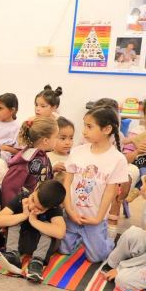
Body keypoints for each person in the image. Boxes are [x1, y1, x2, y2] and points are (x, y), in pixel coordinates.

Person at [59, 106, 129, 262]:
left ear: (107, 129)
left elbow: (110, 193)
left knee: (97, 258)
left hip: (94, 220)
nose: (84, 131)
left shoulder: (117, 159)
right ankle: (81, 237)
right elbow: (67, 182)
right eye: (84, 125)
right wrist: (69, 210)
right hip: (71, 215)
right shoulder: (77, 151)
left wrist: (98, 219)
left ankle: (108, 240)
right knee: (63, 250)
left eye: (89, 127)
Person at [0, 179, 66, 283]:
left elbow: (60, 233)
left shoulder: (54, 209)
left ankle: (37, 263)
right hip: (20, 242)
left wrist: (34, 221)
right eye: (33, 200)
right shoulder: (22, 197)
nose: (31, 206)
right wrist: (24, 215)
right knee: (14, 220)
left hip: (41, 246)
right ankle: (12, 256)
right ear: (36, 188)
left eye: (39, 208)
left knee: (49, 228)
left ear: (50, 208)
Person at [0, 117, 57, 206]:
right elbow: (9, 188)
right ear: (46, 140)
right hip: (25, 209)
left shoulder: (42, 155)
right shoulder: (26, 160)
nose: (57, 140)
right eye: (56, 137)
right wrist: (11, 211)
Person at [0, 93, 20, 160]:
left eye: (0, 108)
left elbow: (19, 152)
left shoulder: (17, 128)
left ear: (12, 110)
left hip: (5, 157)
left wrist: (6, 148)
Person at [48, 116, 74, 182]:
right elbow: (40, 179)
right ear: (52, 137)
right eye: (63, 138)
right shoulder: (46, 157)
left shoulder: (74, 157)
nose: (68, 143)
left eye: (71, 138)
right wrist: (52, 170)